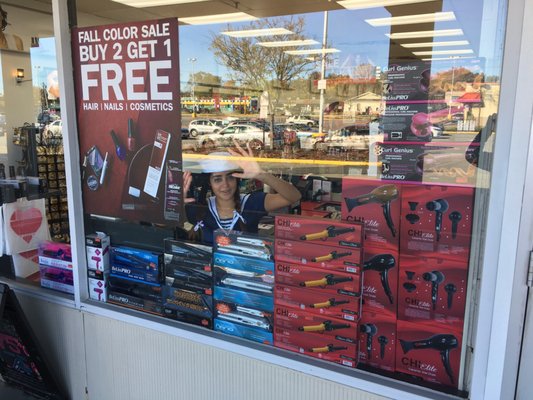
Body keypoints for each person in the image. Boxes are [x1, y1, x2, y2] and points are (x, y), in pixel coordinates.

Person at [183, 140, 302, 244]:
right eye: (217, 179)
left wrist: (262, 175)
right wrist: (176, 203)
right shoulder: (199, 209)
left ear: (238, 178)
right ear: (209, 183)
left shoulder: (251, 203)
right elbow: (169, 225)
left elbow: (294, 196)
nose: (225, 185)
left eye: (230, 177)